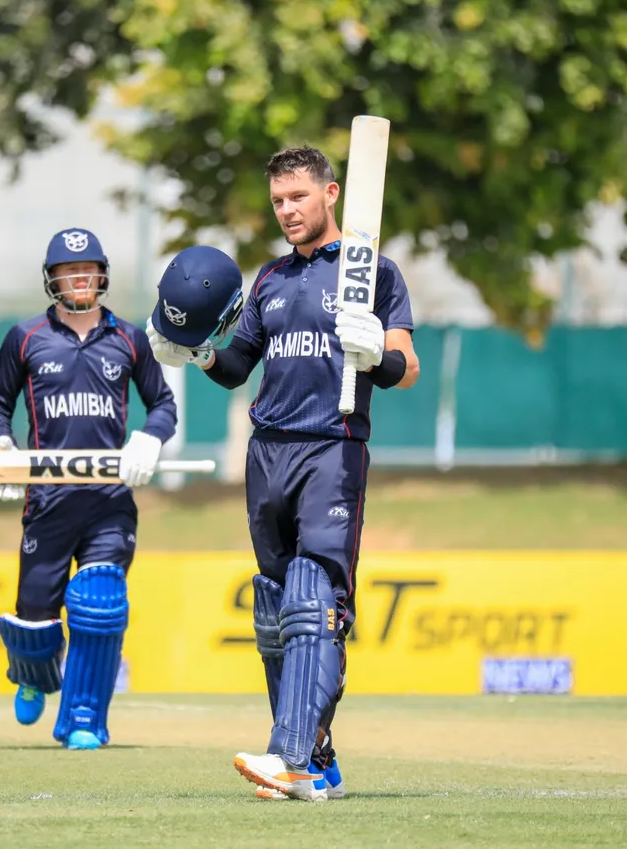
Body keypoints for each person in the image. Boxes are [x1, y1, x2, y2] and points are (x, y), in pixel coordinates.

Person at [147, 146, 420, 800]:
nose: (287, 210)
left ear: (331, 194)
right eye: (277, 201)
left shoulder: (371, 273)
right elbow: (239, 365)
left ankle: (289, 754)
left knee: (312, 597)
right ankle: (316, 761)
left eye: (298, 196)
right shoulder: (268, 280)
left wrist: (375, 350)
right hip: (267, 453)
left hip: (332, 447)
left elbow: (406, 367)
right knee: (274, 609)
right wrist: (197, 353)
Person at [0, 227, 178, 751]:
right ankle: (32, 671)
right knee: (36, 619)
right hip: (48, 501)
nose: (80, 279)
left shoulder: (129, 339)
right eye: (69, 272)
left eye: (87, 270)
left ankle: (85, 718)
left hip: (109, 502)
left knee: (100, 603)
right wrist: (4, 449)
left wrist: (149, 440)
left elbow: (163, 405)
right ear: (53, 280)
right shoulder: (24, 338)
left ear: (102, 275)